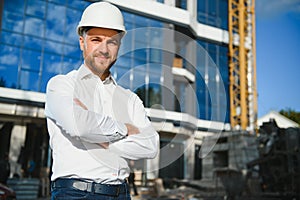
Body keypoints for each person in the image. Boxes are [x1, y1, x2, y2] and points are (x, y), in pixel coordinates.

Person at [45, 2, 159, 200]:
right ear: (82, 42)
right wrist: (124, 129)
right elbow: (80, 127)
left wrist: (102, 138)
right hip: (75, 194)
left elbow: (150, 146)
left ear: (119, 46)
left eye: (112, 42)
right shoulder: (61, 85)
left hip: (122, 194)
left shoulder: (130, 99)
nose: (104, 49)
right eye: (96, 40)